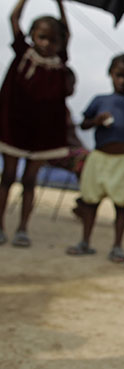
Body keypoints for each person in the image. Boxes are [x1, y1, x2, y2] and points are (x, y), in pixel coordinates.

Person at [66, 54, 124, 262]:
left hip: (122, 161)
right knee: (90, 204)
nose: (123, 81)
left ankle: (117, 247)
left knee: (120, 206)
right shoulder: (99, 100)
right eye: (119, 75)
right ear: (110, 74)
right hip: (98, 159)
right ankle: (85, 242)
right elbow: (83, 124)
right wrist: (97, 120)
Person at [0, 0, 70, 247]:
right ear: (32, 36)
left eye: (52, 40)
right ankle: (0, 226)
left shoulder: (59, 60)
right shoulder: (23, 52)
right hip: (14, 124)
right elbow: (13, 19)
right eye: (41, 37)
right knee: (7, 177)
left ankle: (22, 228)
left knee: (30, 181)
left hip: (44, 130)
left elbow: (67, 31)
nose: (46, 44)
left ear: (60, 42)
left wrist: (60, 4)